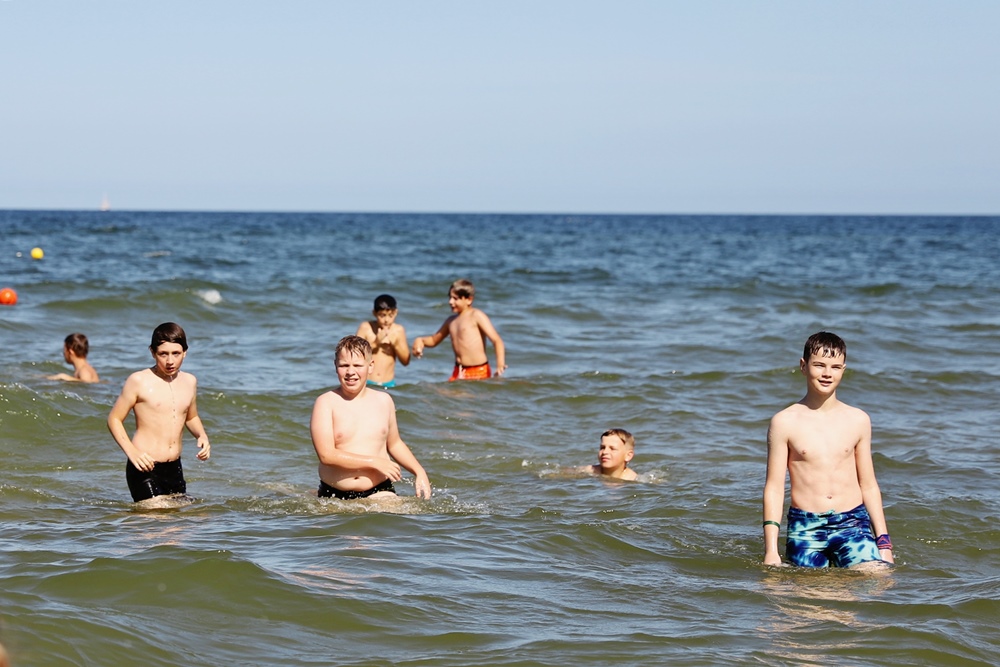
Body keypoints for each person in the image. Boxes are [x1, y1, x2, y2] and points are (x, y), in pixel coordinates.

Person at [763, 331, 894, 569]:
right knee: (811, 590)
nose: (827, 373)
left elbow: (869, 485)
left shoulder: (858, 420)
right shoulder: (784, 422)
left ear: (843, 369)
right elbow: (774, 488)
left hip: (853, 523)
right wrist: (771, 551)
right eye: (819, 365)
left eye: (835, 367)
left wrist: (884, 543)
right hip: (805, 527)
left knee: (877, 578)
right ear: (803, 366)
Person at [310, 335, 431, 500]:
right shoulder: (326, 402)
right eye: (344, 365)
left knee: (403, 511)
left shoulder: (384, 401)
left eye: (357, 365)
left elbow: (394, 444)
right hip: (334, 494)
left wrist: (419, 471)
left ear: (370, 366)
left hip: (379, 489)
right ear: (335, 366)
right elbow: (326, 455)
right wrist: (374, 462)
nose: (350, 372)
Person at [107, 322, 211, 502]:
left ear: (185, 352)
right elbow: (114, 419)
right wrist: (132, 452)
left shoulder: (190, 381)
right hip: (144, 466)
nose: (170, 361)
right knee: (156, 516)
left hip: (175, 469)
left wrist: (202, 435)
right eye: (163, 354)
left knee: (182, 517)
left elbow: (191, 416)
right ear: (153, 352)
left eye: (176, 353)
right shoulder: (138, 381)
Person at [411, 278, 507, 380]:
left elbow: (497, 341)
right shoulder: (451, 321)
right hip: (458, 371)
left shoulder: (476, 316)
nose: (450, 302)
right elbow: (434, 340)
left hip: (478, 370)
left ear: (469, 300)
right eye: (450, 297)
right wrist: (420, 340)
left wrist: (500, 364)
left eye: (455, 298)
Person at [355, 294, 411, 389]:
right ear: (374, 313)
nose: (386, 320)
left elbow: (406, 361)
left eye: (390, 315)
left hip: (388, 384)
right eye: (382, 315)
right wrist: (376, 342)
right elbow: (356, 355)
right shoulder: (366, 327)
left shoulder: (398, 331)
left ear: (396, 312)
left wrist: (395, 345)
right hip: (366, 383)